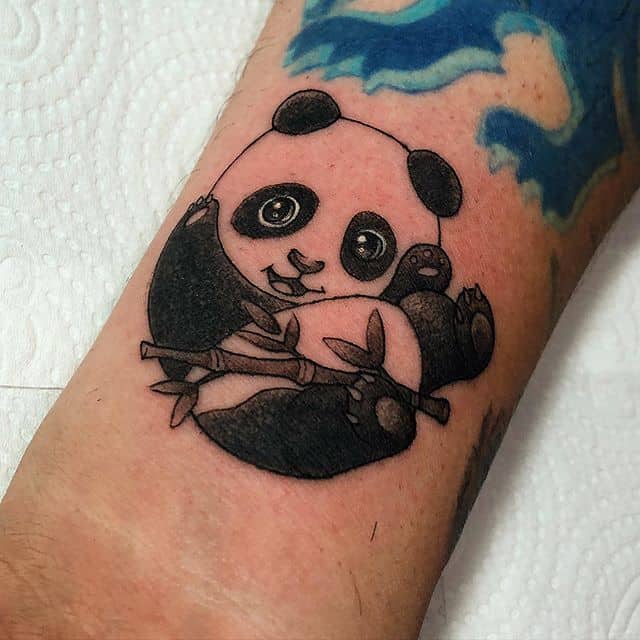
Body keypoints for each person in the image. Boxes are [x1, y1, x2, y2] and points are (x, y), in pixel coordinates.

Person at [1, 1, 638, 637]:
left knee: (406, 330)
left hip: (325, 409)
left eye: (364, 247)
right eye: (282, 210)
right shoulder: (204, 250)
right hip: (247, 404)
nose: (308, 257)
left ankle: (424, 361)